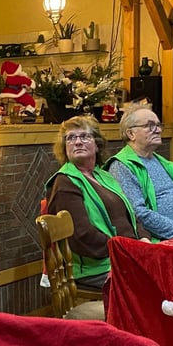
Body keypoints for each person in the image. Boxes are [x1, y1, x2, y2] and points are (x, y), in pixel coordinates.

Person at [45, 115, 150, 291]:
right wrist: (124, 251)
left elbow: (131, 215)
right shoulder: (65, 182)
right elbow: (82, 236)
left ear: (97, 144)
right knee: (154, 283)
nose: (77, 142)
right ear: (64, 147)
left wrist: (143, 239)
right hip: (97, 267)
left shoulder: (104, 176)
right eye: (71, 138)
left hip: (126, 253)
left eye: (84, 136)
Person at [106, 104, 173, 239]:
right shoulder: (121, 166)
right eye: (150, 125)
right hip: (164, 240)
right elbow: (139, 213)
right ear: (131, 134)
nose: (158, 130)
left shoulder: (162, 162)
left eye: (159, 125)